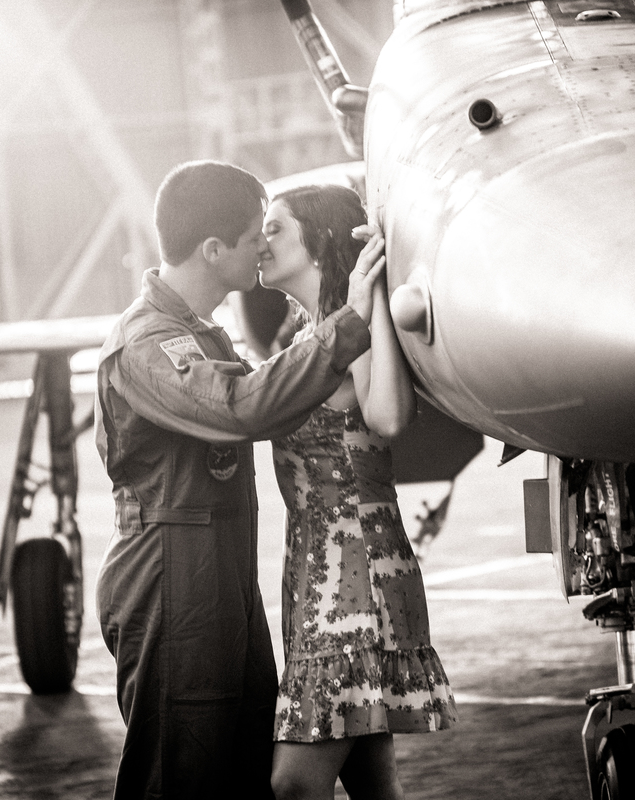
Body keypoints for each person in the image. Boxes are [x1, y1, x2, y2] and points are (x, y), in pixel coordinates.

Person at [94, 161, 386, 800]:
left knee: (245, 773)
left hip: (222, 579)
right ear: (213, 250)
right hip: (173, 582)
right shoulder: (148, 343)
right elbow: (240, 406)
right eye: (257, 231)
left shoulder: (201, 334)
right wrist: (348, 324)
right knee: (182, 774)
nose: (264, 243)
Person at [257, 184, 458, 800]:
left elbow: (389, 418)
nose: (260, 243)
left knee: (294, 784)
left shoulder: (354, 325)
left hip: (353, 573)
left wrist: (371, 301)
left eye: (274, 229)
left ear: (317, 241)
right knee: (373, 786)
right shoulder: (308, 332)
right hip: (318, 567)